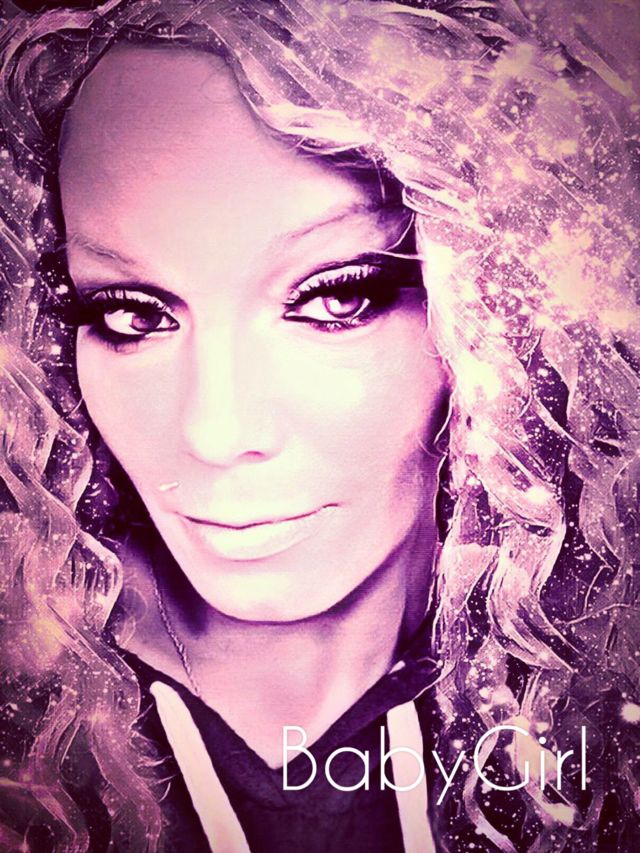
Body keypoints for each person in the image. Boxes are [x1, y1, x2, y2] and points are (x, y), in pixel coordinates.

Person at [0, 0, 638, 851]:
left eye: (335, 300)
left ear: (494, 319)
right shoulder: (24, 721)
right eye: (133, 314)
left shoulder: (603, 696)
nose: (216, 431)